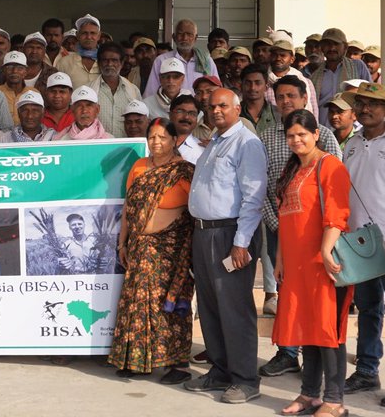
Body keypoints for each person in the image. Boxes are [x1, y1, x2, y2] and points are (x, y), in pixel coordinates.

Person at [184, 88, 267, 404]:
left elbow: (253, 197)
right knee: (209, 307)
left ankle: (246, 379)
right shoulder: (215, 142)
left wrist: (241, 243)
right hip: (204, 234)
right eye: (212, 106)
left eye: (223, 105)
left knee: (234, 309)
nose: (216, 110)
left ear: (237, 107)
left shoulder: (247, 143)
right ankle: (220, 371)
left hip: (230, 234)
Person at [272, 109, 353, 417]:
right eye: (291, 135)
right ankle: (309, 395)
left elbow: (337, 213)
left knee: (328, 331)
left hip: (323, 263)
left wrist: (326, 251)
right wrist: (280, 259)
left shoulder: (329, 166)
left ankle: (334, 399)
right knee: (306, 328)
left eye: (302, 134)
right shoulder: (291, 170)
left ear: (316, 134)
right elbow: (285, 219)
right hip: (295, 264)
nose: (296, 140)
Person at [259, 75, 341, 377]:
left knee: (315, 298)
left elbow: (334, 188)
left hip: (317, 233)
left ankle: (314, 355)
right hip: (280, 227)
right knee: (288, 291)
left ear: (304, 98)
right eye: (280, 96)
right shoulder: (267, 137)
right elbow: (263, 187)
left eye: (291, 95)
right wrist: (277, 223)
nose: (285, 101)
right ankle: (288, 352)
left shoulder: (325, 137)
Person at [109, 119, 195, 385]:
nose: (156, 143)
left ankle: (176, 363)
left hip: (171, 251)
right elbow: (128, 208)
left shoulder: (184, 171)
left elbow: (196, 210)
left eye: (162, 137)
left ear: (174, 140)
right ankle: (137, 361)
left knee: (167, 303)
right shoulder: (139, 167)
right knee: (137, 302)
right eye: (152, 137)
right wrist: (122, 243)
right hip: (138, 247)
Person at [340, 82, 385, 406]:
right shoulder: (350, 144)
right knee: (367, 309)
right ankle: (367, 370)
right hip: (359, 242)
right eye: (361, 104)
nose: (366, 109)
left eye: (373, 104)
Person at [308, 28, 370, 124]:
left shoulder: (357, 66)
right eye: (327, 44)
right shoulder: (315, 75)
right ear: (321, 48)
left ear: (345, 47)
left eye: (336, 44)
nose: (332, 48)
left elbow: (370, 95)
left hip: (353, 131)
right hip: (324, 131)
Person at [145, 19, 218, 97]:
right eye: (180, 34)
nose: (185, 38)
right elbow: (151, 92)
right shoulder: (162, 60)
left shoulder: (207, 61)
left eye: (189, 34)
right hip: (168, 108)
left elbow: (216, 90)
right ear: (174, 37)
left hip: (200, 108)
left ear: (195, 38)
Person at [87, 43, 141, 138]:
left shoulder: (133, 91)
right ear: (99, 63)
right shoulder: (89, 91)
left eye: (114, 60)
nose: (109, 64)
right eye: (105, 60)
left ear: (122, 63)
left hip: (126, 148)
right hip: (98, 148)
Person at [266, 34, 318, 114]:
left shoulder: (305, 82)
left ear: (292, 59)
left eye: (282, 55)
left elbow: (314, 112)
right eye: (274, 55)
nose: (278, 58)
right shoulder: (263, 82)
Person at [56, 15, 102, 88]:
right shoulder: (64, 62)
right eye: (84, 33)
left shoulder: (106, 61)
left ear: (99, 36)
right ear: (77, 35)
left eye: (93, 33)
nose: (89, 37)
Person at [0, 51, 36, 124]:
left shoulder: (34, 93)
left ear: (25, 72)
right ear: (3, 71)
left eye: (19, 68)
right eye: (10, 68)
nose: (14, 71)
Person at [240, 64, 280, 135]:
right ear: (241, 86)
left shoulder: (278, 114)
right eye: (248, 83)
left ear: (266, 86)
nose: (252, 88)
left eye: (258, 83)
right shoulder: (234, 114)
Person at [169, 95, 203, 163]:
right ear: (170, 115)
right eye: (181, 111)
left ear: (197, 120)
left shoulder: (203, 150)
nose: (186, 117)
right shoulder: (157, 143)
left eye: (192, 113)